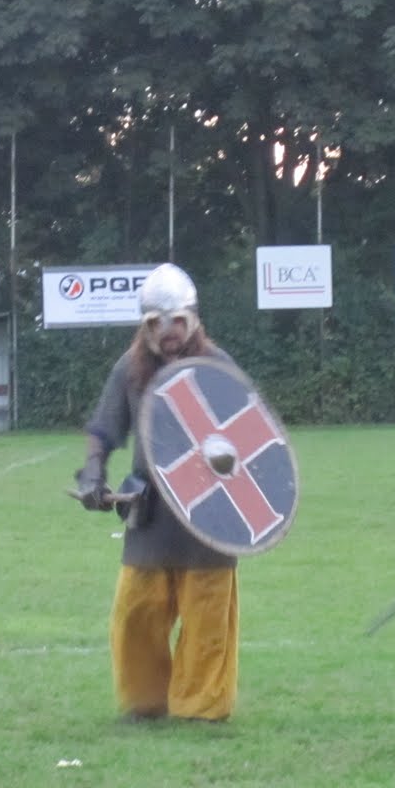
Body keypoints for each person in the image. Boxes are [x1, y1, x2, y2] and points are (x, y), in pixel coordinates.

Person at [74, 263, 243, 722]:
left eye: (177, 321)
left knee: (207, 619)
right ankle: (146, 701)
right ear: (145, 325)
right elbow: (104, 429)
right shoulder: (130, 370)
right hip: (150, 512)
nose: (168, 332)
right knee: (137, 613)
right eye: (156, 323)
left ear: (193, 320)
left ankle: (200, 707)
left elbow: (248, 439)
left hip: (210, 515)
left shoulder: (218, 368)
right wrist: (92, 474)